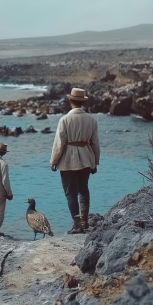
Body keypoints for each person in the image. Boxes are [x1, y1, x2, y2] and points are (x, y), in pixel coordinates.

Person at [50, 88, 100, 234]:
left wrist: (54, 161)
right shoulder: (91, 119)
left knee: (70, 193)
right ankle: (85, 221)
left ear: (70, 101)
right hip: (86, 158)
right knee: (83, 189)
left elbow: (59, 143)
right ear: (83, 102)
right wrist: (95, 162)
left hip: (68, 160)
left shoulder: (64, 120)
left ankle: (77, 224)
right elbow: (95, 144)